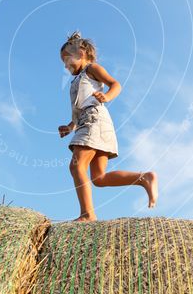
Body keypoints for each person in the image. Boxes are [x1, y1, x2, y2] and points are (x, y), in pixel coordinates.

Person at [58, 31, 158, 221]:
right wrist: (70, 126)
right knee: (99, 178)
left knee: (77, 166)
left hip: (94, 120)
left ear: (80, 52)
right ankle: (144, 178)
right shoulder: (77, 80)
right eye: (63, 62)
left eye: (67, 58)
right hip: (91, 122)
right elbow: (81, 106)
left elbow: (115, 84)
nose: (65, 65)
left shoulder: (91, 69)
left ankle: (87, 215)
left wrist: (107, 96)